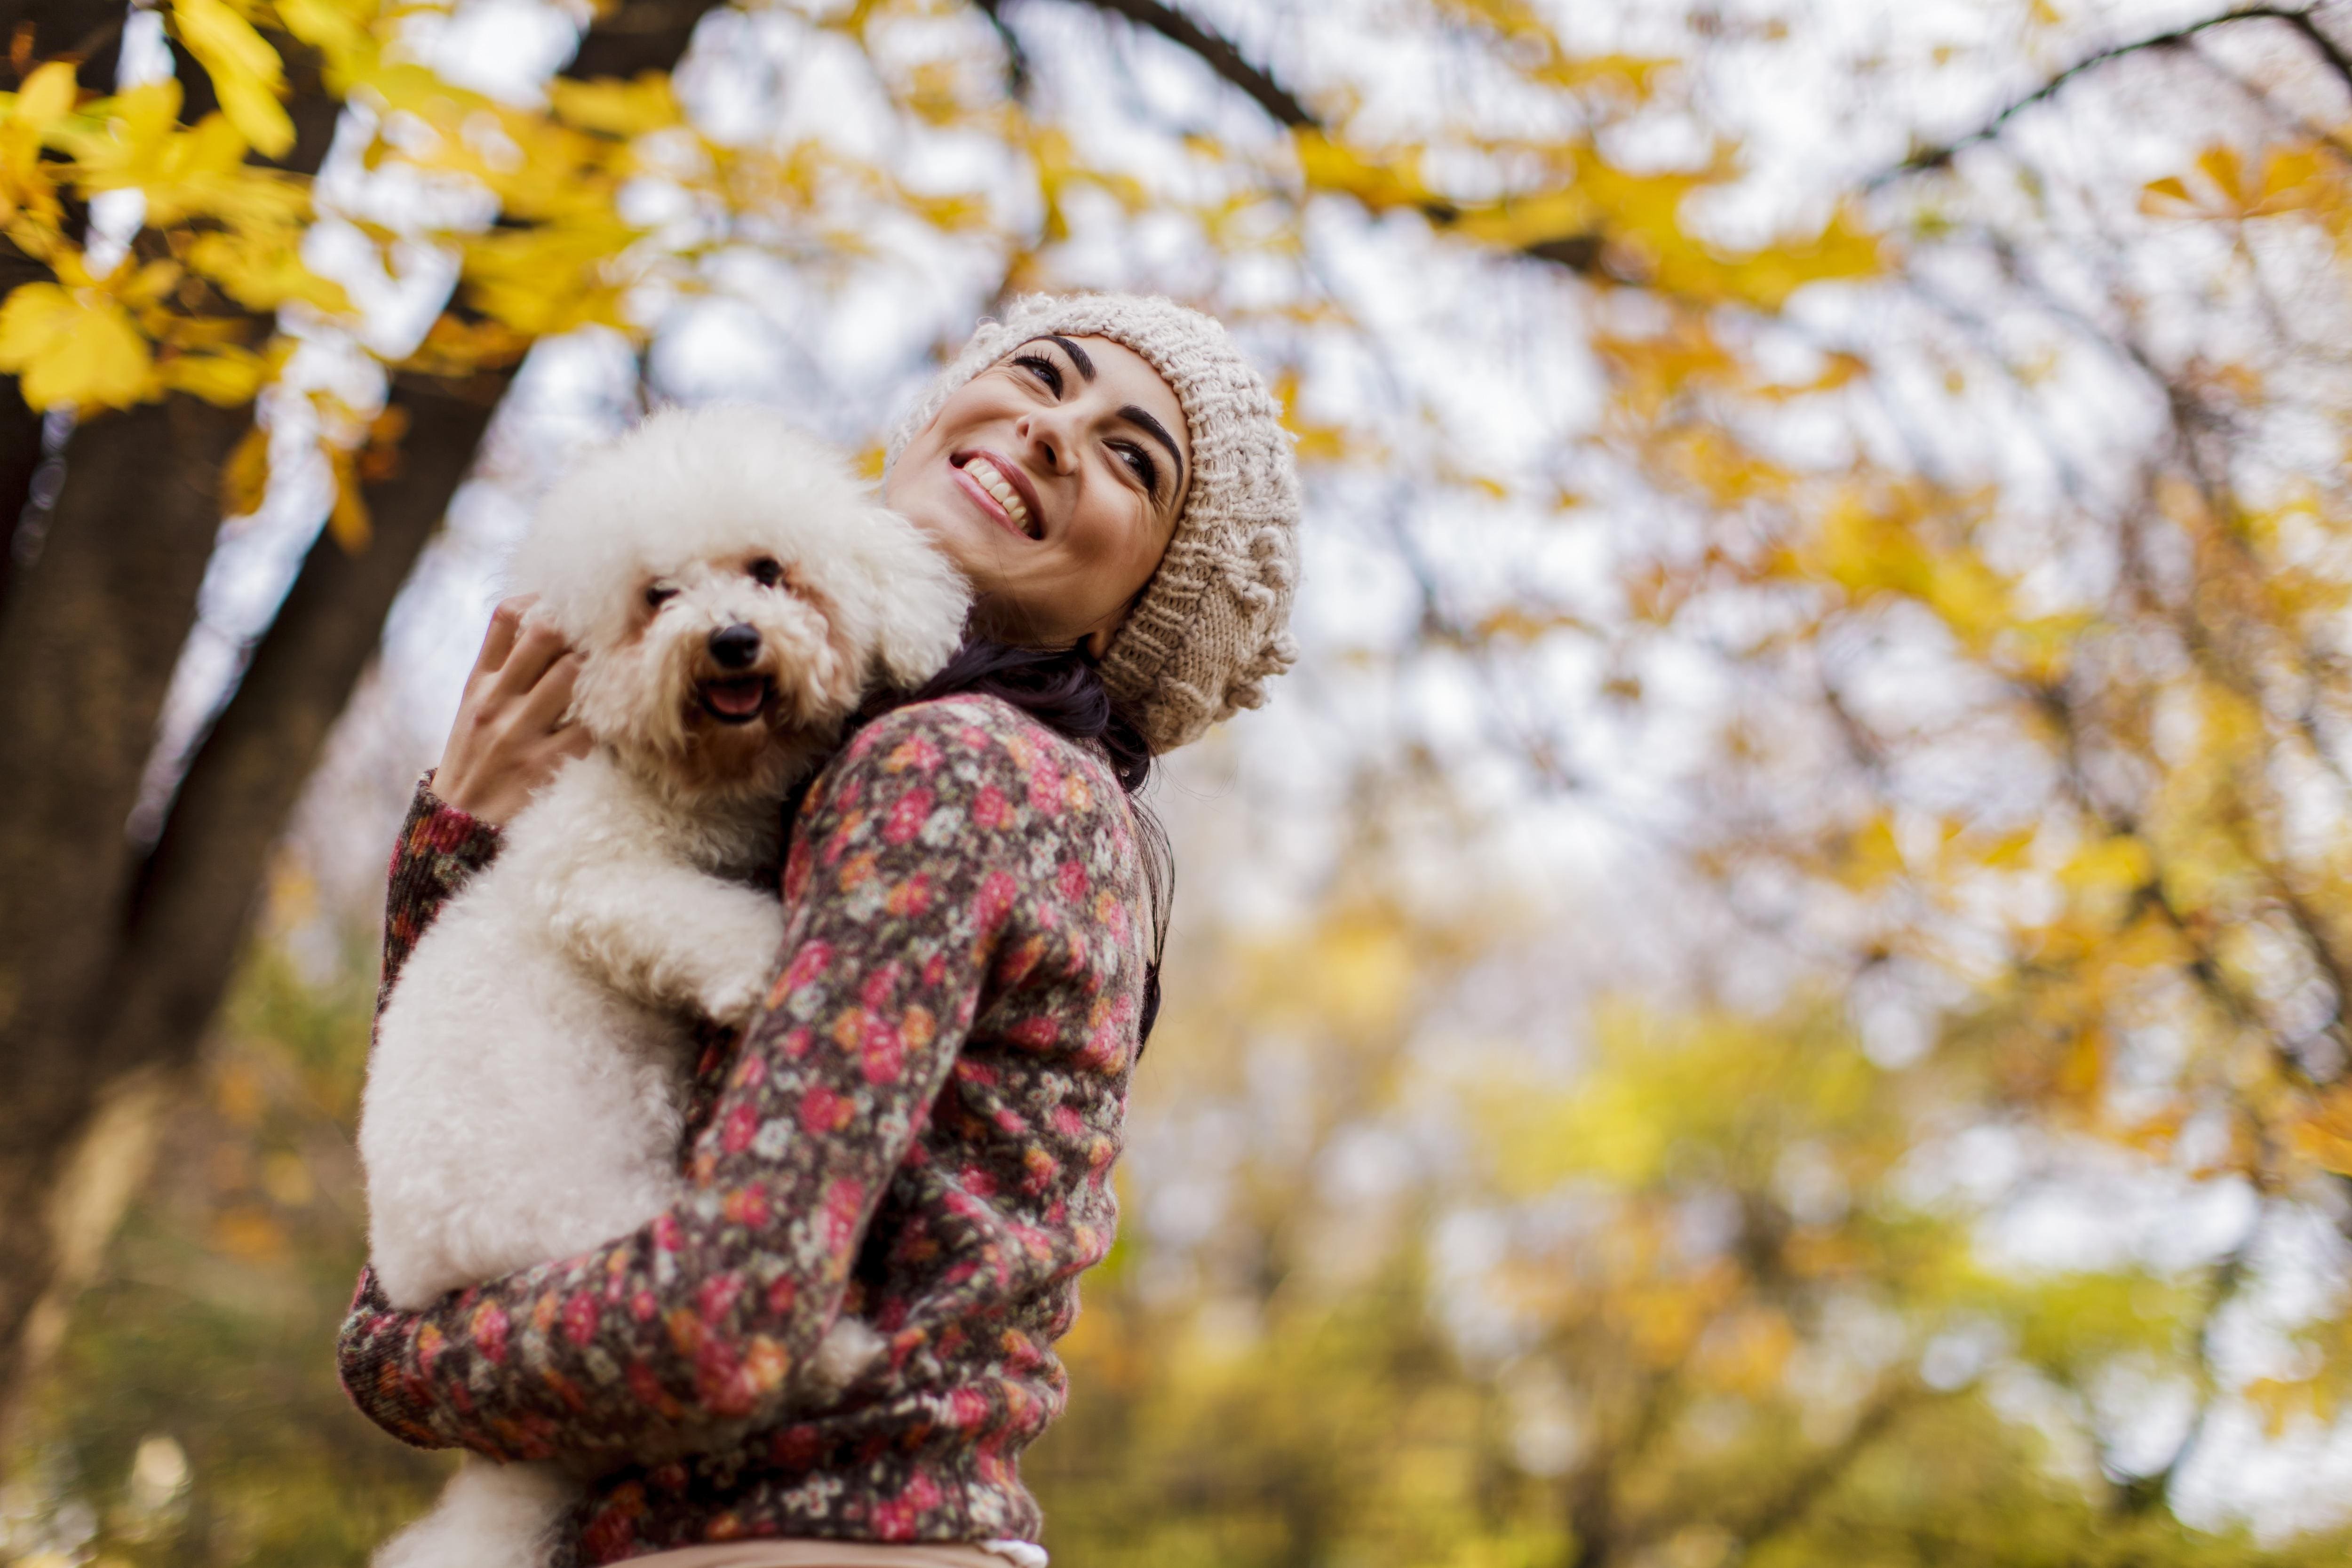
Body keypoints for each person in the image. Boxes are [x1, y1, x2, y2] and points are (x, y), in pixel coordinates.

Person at [336, 293, 1302, 1568]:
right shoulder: (836, 791)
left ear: (1134, 619)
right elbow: (503, 1117)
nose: (1058, 428)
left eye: (1134, 457)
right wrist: (462, 857)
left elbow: (726, 1319)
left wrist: (395, 1354)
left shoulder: (948, 770)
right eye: (1040, 375)